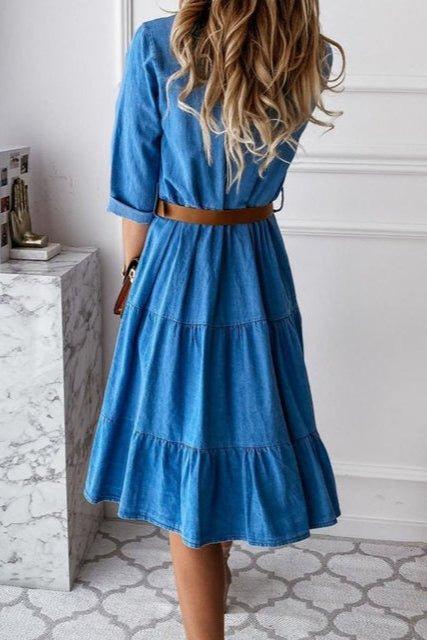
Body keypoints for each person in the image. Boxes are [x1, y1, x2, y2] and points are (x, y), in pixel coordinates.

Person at [84, 2, 345, 638]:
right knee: (232, 423)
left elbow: (134, 184)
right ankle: (218, 580)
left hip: (178, 263)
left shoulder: (159, 43)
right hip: (258, 262)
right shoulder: (308, 50)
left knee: (190, 460)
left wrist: (135, 278)